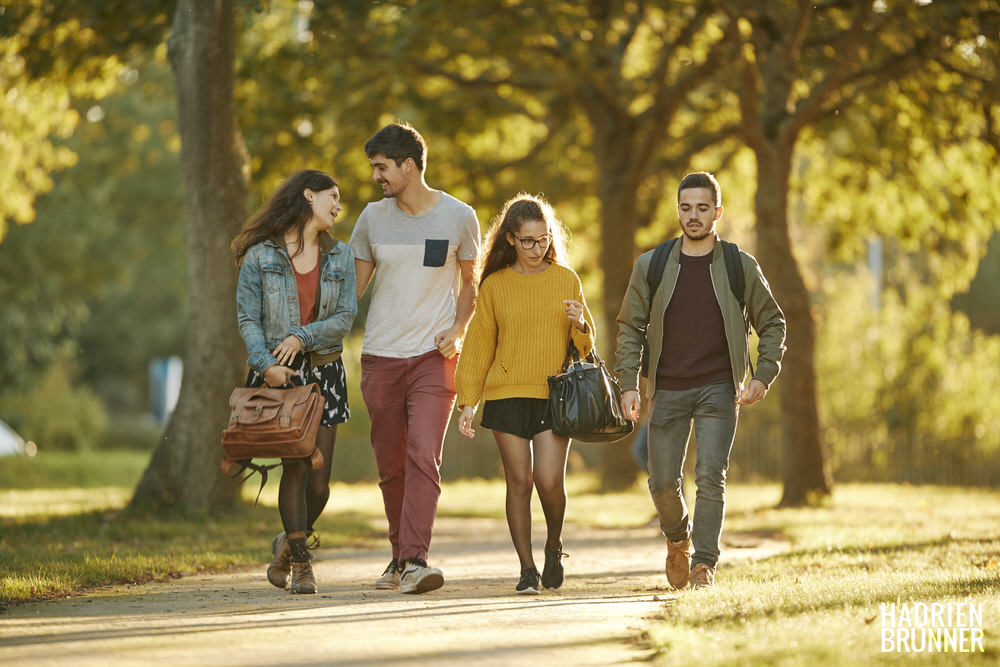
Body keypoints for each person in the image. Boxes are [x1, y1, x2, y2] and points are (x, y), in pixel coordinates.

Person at [615, 171, 786, 590]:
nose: (694, 216)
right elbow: (630, 328)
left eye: (703, 208)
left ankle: (704, 564)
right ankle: (678, 539)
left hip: (719, 389)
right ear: (678, 210)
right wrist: (628, 384)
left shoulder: (738, 265)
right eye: (686, 207)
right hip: (667, 389)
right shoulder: (652, 265)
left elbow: (773, 322)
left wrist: (763, 376)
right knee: (661, 482)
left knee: (712, 476)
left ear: (718, 212)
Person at [349, 123, 480, 594]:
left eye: (382, 167)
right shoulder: (371, 219)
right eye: (373, 168)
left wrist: (458, 328)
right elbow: (352, 291)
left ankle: (414, 560)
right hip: (381, 356)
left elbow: (472, 284)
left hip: (433, 356)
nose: (376, 177)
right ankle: (398, 556)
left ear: (409, 165)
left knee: (424, 453)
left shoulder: (459, 217)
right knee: (391, 465)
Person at [455, 194, 595, 595]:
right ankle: (527, 568)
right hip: (506, 394)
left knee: (549, 481)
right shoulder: (495, 285)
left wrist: (580, 322)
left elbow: (584, 347)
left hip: (554, 394)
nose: (539, 248)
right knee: (519, 481)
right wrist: (468, 401)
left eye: (544, 239)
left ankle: (553, 546)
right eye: (529, 241)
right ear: (511, 239)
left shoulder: (566, 278)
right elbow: (480, 344)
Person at [232, 169, 357, 595]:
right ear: (309, 196)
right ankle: (302, 565)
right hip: (278, 376)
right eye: (333, 197)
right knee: (297, 469)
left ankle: (287, 543)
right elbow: (248, 317)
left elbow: (343, 318)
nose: (338, 206)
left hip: (325, 374)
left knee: (320, 483)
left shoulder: (340, 256)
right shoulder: (260, 256)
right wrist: (265, 363)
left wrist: (301, 336)